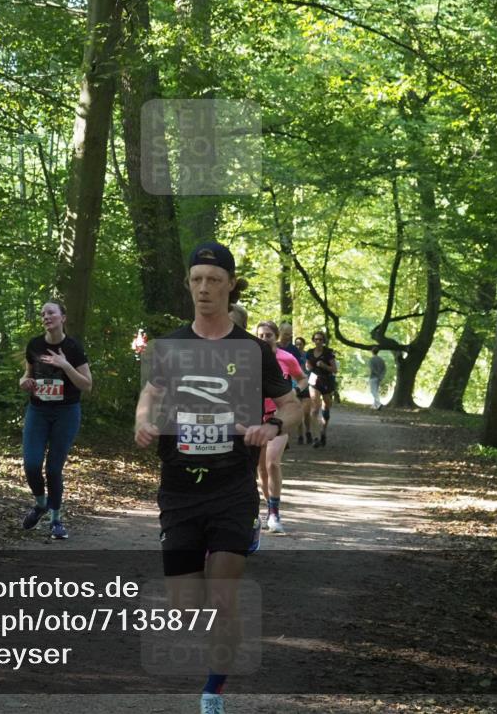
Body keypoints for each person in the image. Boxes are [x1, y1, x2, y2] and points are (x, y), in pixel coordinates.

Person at [135, 243, 300, 714]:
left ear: (230, 285)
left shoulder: (254, 351)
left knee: (224, 595)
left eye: (213, 279)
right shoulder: (171, 345)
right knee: (188, 606)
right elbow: (149, 395)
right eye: (196, 280)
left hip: (232, 487)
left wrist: (273, 425)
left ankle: (213, 691)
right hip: (179, 487)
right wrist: (141, 421)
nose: (204, 288)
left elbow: (291, 406)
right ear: (189, 285)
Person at [19, 301, 92, 539]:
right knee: (31, 464)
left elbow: (87, 384)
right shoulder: (34, 345)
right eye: (43, 314)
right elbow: (26, 375)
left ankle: (56, 520)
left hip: (66, 412)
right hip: (38, 411)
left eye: (51, 313)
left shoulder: (73, 348)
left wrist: (65, 365)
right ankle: (41, 504)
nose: (46, 317)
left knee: (53, 468)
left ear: (63, 317)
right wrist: (24, 383)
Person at [255, 320, 306, 534]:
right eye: (261, 335)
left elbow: (303, 378)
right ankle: (268, 508)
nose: (265, 338)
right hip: (256, 417)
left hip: (279, 418)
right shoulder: (250, 357)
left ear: (276, 337)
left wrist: (293, 390)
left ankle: (275, 514)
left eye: (268, 335)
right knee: (261, 469)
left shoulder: (287, 358)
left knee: (273, 463)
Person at [305, 330, 337, 448]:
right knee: (314, 409)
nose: (318, 341)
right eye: (316, 339)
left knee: (326, 406)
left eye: (320, 339)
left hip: (327, 381)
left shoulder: (328, 353)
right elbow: (307, 365)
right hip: (314, 381)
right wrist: (308, 366)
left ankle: (323, 430)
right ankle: (316, 437)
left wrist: (324, 366)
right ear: (313, 340)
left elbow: (334, 370)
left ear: (323, 341)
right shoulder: (309, 352)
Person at [293, 336, 313, 444]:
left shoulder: (307, 355)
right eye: (296, 344)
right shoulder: (291, 356)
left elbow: (311, 369)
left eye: (300, 344)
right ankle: (300, 435)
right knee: (298, 413)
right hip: (295, 386)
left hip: (306, 385)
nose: (298, 346)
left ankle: (308, 432)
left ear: (304, 345)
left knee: (306, 412)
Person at [368, 346, 387, 410]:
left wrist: (377, 374)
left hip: (373, 377)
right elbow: (384, 369)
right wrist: (381, 376)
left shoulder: (371, 359)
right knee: (376, 391)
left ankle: (379, 404)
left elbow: (372, 369)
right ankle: (375, 405)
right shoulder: (381, 360)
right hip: (379, 378)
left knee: (373, 391)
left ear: (372, 352)